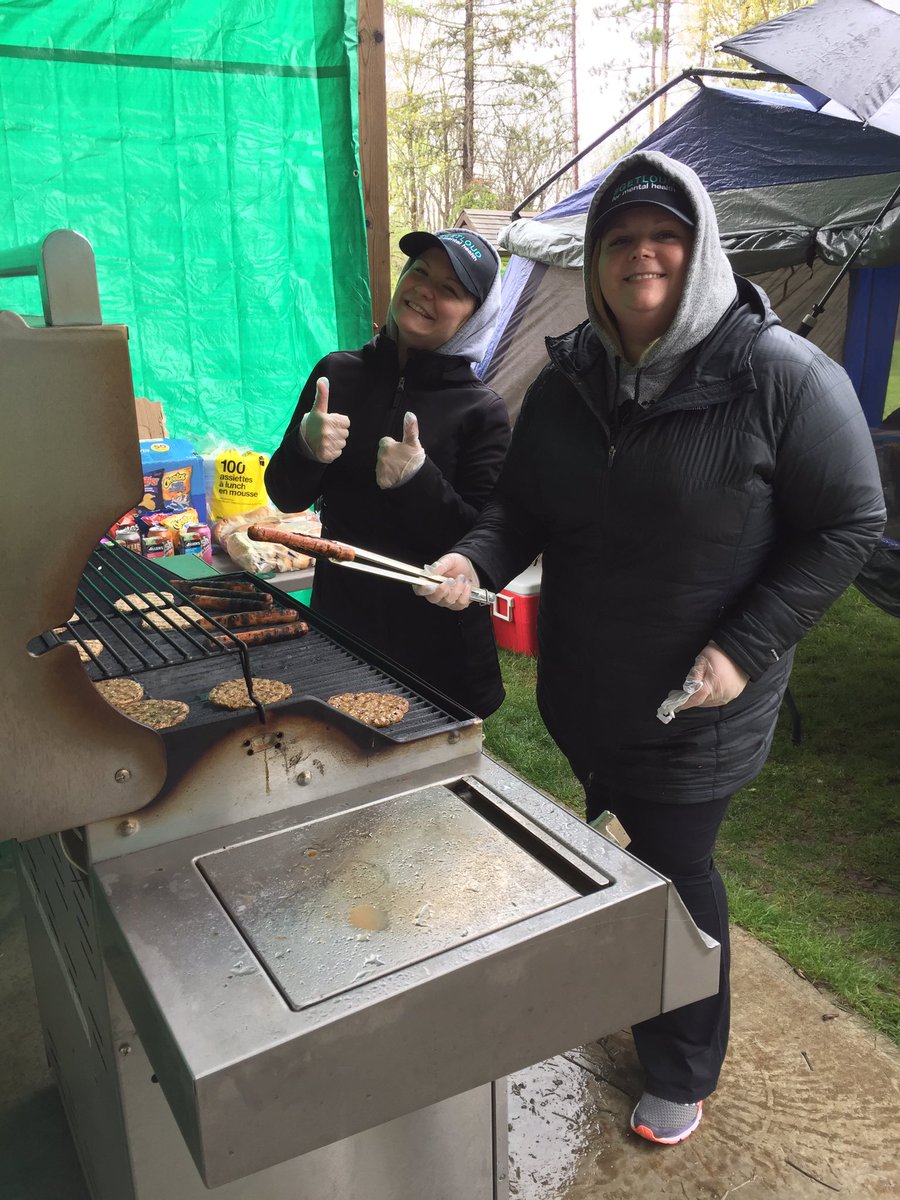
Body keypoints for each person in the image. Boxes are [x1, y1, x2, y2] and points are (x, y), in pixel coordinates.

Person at [417, 152, 886, 1143]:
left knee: (676, 868)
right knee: (625, 847)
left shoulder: (782, 376)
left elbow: (849, 523)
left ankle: (681, 1061)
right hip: (589, 690)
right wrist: (473, 560)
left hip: (698, 698)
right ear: (594, 260)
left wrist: (744, 648)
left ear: (700, 247)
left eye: (664, 235)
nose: (643, 254)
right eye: (621, 238)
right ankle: (633, 982)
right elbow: (519, 509)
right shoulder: (569, 378)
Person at [264, 228, 509, 717]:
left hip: (437, 647)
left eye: (450, 289)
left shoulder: (482, 410)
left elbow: (483, 538)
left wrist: (418, 482)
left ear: (474, 317)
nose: (425, 291)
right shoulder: (338, 372)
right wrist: (305, 448)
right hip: (343, 623)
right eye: (419, 272)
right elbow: (286, 495)